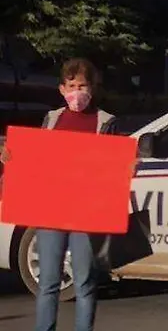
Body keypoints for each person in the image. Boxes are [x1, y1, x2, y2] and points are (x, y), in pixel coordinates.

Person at [0, 58, 116, 331]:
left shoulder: (105, 122)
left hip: (86, 213)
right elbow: (37, 159)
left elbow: (112, 167)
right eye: (72, 85)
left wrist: (127, 166)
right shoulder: (52, 119)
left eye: (83, 85)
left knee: (85, 282)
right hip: (51, 210)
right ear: (62, 89)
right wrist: (11, 157)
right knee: (48, 282)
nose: (78, 91)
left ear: (93, 87)